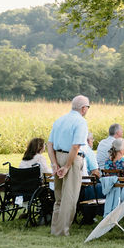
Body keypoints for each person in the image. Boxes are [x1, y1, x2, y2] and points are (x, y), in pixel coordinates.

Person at [46, 95, 90, 237]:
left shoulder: (59, 120)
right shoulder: (81, 122)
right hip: (71, 157)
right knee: (69, 197)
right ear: (83, 108)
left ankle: (55, 229)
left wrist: (54, 163)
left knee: (59, 196)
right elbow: (76, 146)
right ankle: (62, 231)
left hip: (57, 155)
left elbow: (50, 144)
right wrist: (67, 166)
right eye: (88, 107)